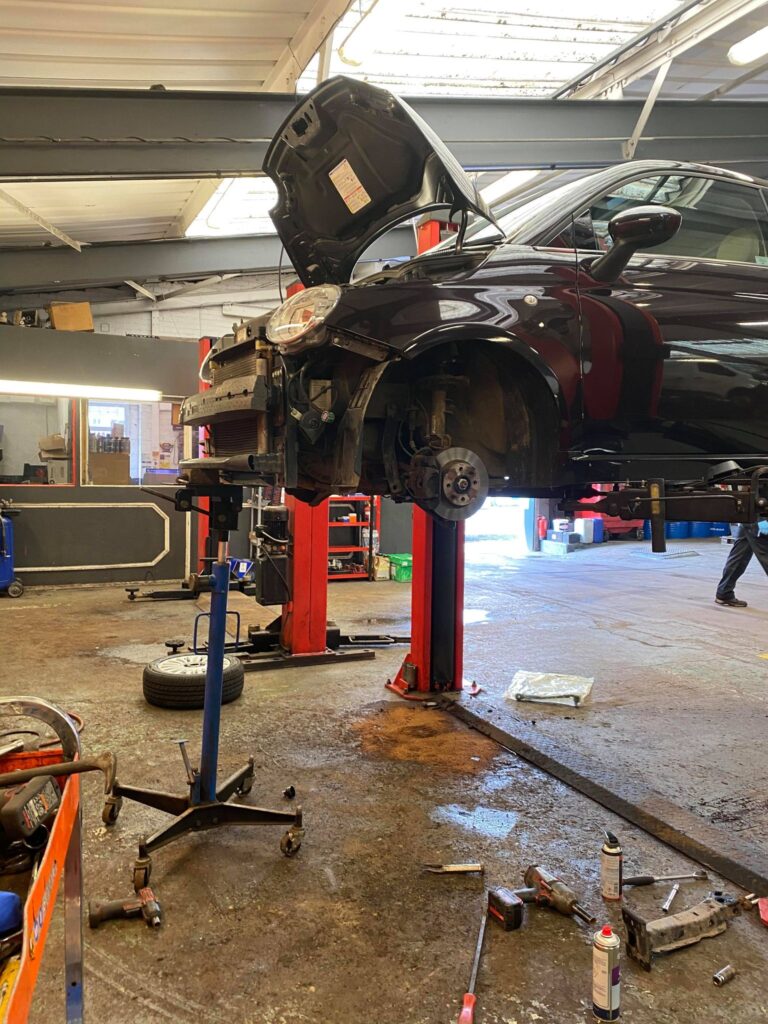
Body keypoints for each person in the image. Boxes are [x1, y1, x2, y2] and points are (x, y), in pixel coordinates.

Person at [715, 520, 768, 607]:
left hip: (748, 519)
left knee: (740, 555)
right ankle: (724, 591)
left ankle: (724, 592)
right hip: (760, 518)